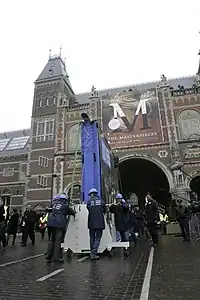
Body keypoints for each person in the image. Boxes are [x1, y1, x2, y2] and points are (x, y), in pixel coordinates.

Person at [46, 194, 76, 263]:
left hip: (51, 223)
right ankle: (56, 258)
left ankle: (49, 255)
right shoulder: (65, 205)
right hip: (59, 224)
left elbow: (49, 210)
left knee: (51, 239)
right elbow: (72, 212)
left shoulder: (54, 204)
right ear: (65, 200)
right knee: (58, 240)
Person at [87, 188, 106, 260]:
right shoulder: (101, 201)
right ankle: (93, 254)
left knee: (92, 238)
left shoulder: (89, 202)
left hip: (91, 223)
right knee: (98, 238)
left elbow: (88, 208)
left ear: (91, 194)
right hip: (100, 223)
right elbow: (104, 210)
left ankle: (92, 252)